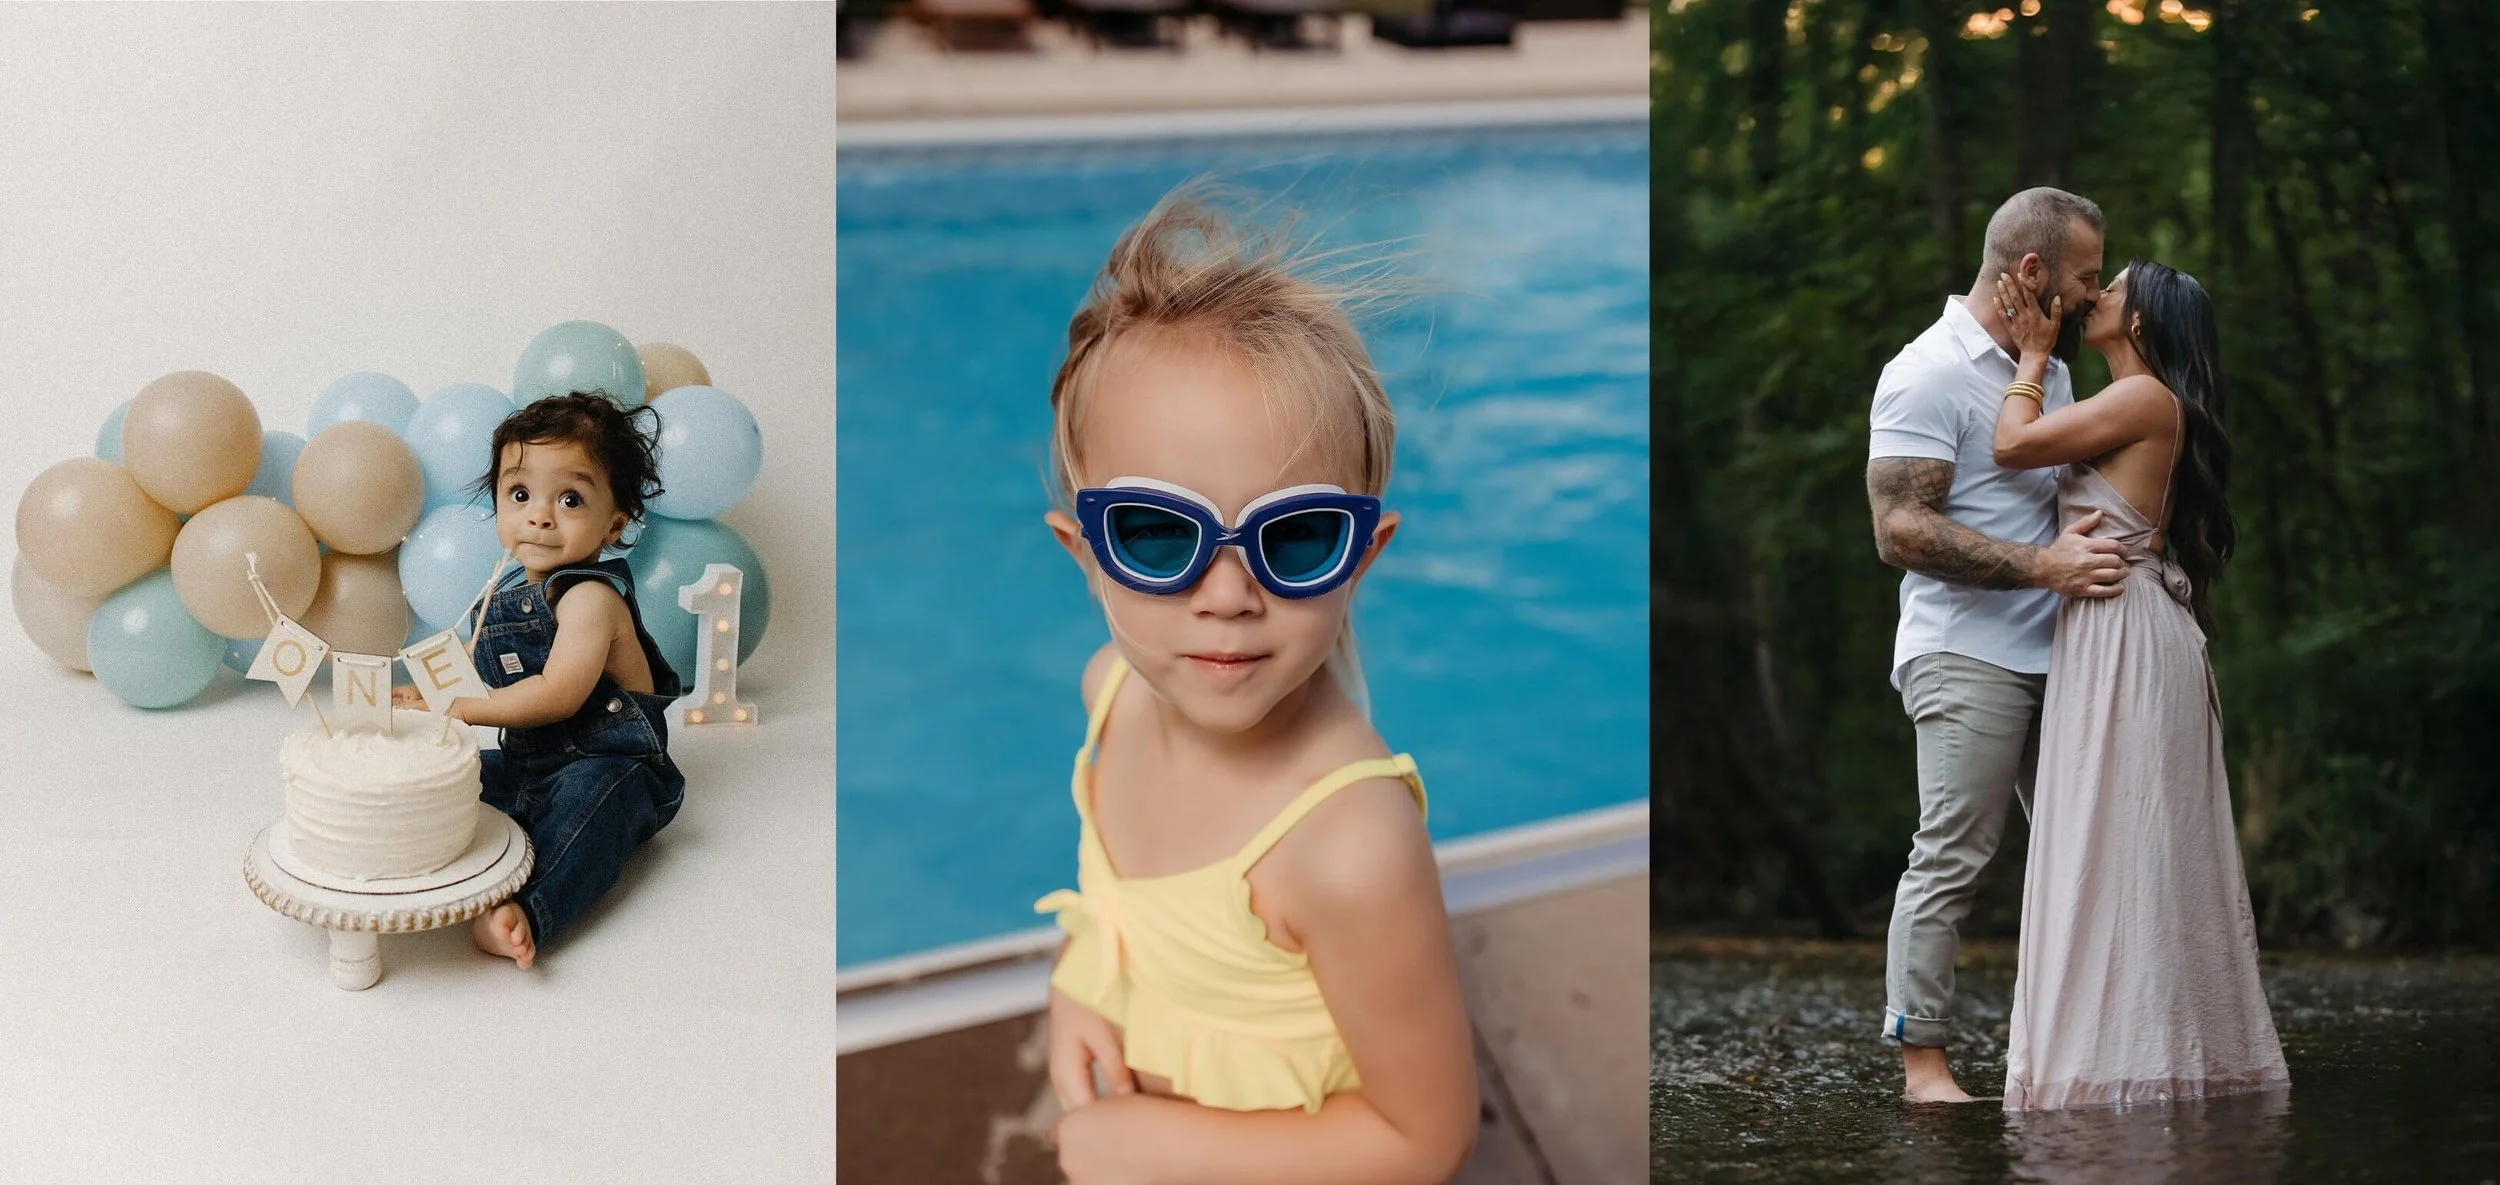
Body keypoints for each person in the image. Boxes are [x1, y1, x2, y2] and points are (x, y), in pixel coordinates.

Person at [1031, 192, 1480, 1183]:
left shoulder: (1346, 846)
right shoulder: (1111, 691)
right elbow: (1117, 902)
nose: (1226, 595)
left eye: (1296, 537)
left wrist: (1144, 1147)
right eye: (1157, 533)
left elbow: (1425, 1139)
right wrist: (1087, 986)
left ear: (1360, 556)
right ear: (1085, 552)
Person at [1989, 260, 2290, 1109]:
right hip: (2113, 626)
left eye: (2113, 289)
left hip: (2124, 633)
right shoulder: (2139, 401)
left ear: (2146, 324)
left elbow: (2010, 446)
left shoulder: (2147, 397)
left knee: (2124, 840)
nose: (2096, 297)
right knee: (2115, 836)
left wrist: (2031, 356)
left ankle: (2132, 1062)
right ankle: (2133, 1053)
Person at [1863, 186, 2131, 1103]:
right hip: (1964, 650)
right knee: (1954, 851)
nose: (2096, 295)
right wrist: (2044, 569)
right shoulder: (1927, 370)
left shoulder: (2044, 366)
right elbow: (1899, 529)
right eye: (2086, 276)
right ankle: (1922, 1063)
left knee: (2084, 848)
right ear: (2031, 271)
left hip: (2061, 651)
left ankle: (2076, 1044)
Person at [394, 392, 686, 970]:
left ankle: (530, 909)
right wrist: (427, 697)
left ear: (615, 523)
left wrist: (462, 711)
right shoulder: (502, 598)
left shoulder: (592, 599)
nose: (539, 515)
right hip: (531, 764)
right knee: (453, 782)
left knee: (590, 811)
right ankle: (403, 847)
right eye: (520, 493)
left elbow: (559, 693)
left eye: (570, 499)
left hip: (615, 765)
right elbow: (472, 668)